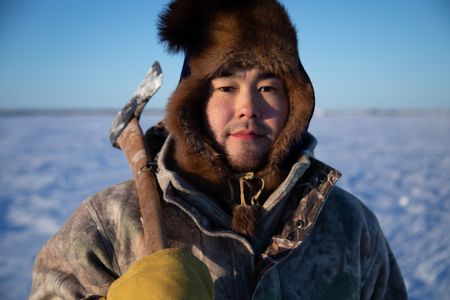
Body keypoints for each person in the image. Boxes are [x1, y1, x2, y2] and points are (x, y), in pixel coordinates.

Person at [30, 0, 407, 299]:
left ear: (295, 104)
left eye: (267, 88)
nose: (248, 107)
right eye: (226, 87)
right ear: (193, 104)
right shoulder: (108, 224)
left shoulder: (350, 227)